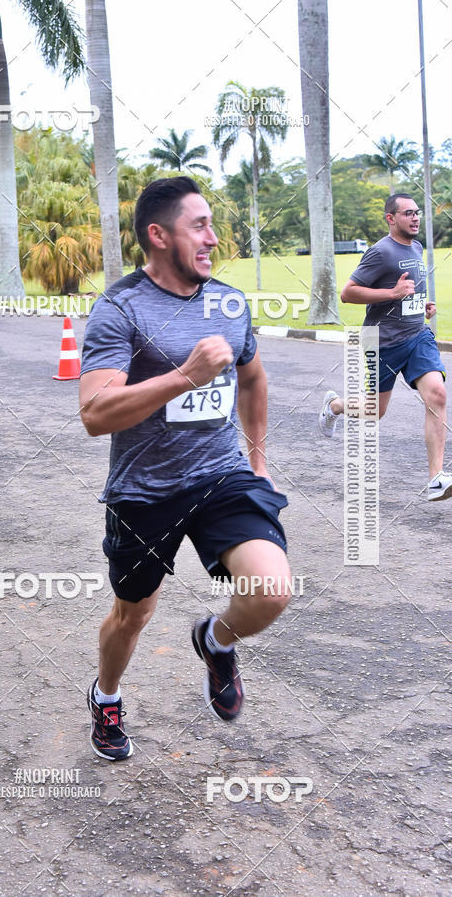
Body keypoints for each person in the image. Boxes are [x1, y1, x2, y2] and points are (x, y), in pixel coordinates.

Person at [79, 176, 291, 761]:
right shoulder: (120, 308)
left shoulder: (228, 302)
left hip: (221, 475)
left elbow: (253, 377)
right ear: (159, 235)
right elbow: (95, 414)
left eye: (211, 226)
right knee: (133, 615)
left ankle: (216, 641)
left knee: (270, 590)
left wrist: (258, 461)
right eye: (199, 225)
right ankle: (107, 694)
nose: (213, 237)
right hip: (145, 491)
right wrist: (183, 377)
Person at [318, 193, 451, 502]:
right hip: (383, 342)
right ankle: (335, 406)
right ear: (391, 218)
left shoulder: (416, 246)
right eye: (408, 213)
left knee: (438, 394)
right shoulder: (380, 252)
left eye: (417, 212)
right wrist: (392, 293)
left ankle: (436, 479)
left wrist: (421, 305)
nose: (415, 218)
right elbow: (348, 293)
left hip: (418, 335)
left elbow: (408, 290)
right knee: (376, 410)